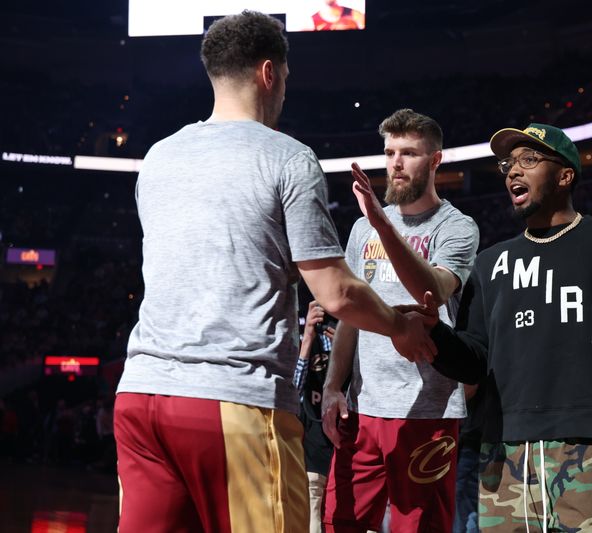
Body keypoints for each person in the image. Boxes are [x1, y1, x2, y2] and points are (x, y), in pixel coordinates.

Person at [113, 13, 435, 533]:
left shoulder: (158, 157)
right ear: (269, 73)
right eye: (284, 77)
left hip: (141, 399)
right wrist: (401, 327)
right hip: (232, 398)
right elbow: (336, 291)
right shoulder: (286, 157)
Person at [418, 122, 592, 532]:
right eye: (508, 163)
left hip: (591, 453)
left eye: (529, 159)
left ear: (565, 175)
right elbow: (473, 361)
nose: (512, 171)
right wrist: (434, 331)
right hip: (502, 459)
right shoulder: (489, 263)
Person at [321, 108, 480, 532]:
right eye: (390, 151)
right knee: (341, 523)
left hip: (428, 411)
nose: (396, 162)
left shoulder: (457, 227)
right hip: (363, 407)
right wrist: (333, 386)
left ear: (435, 160)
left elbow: (432, 288)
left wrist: (384, 227)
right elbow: (350, 317)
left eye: (409, 152)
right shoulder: (362, 230)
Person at [294, 300, 338, 533]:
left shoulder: (352, 330)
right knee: (311, 522)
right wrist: (308, 336)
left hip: (345, 448)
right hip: (314, 447)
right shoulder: (311, 338)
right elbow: (294, 392)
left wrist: (346, 345)